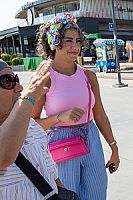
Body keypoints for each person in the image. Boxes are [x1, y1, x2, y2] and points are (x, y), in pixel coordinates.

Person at [31, 13, 120, 199]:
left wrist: (114, 148)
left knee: (97, 193)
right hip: (59, 142)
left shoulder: (88, 76)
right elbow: (31, 126)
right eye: (68, 40)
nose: (75, 46)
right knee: (67, 195)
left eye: (78, 41)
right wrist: (58, 118)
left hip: (90, 137)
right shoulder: (45, 77)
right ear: (54, 42)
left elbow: (100, 115)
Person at [0, 60, 63, 198]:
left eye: (16, 80)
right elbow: (3, 157)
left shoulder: (31, 125)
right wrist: (29, 98)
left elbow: (51, 176)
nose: (19, 88)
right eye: (7, 82)